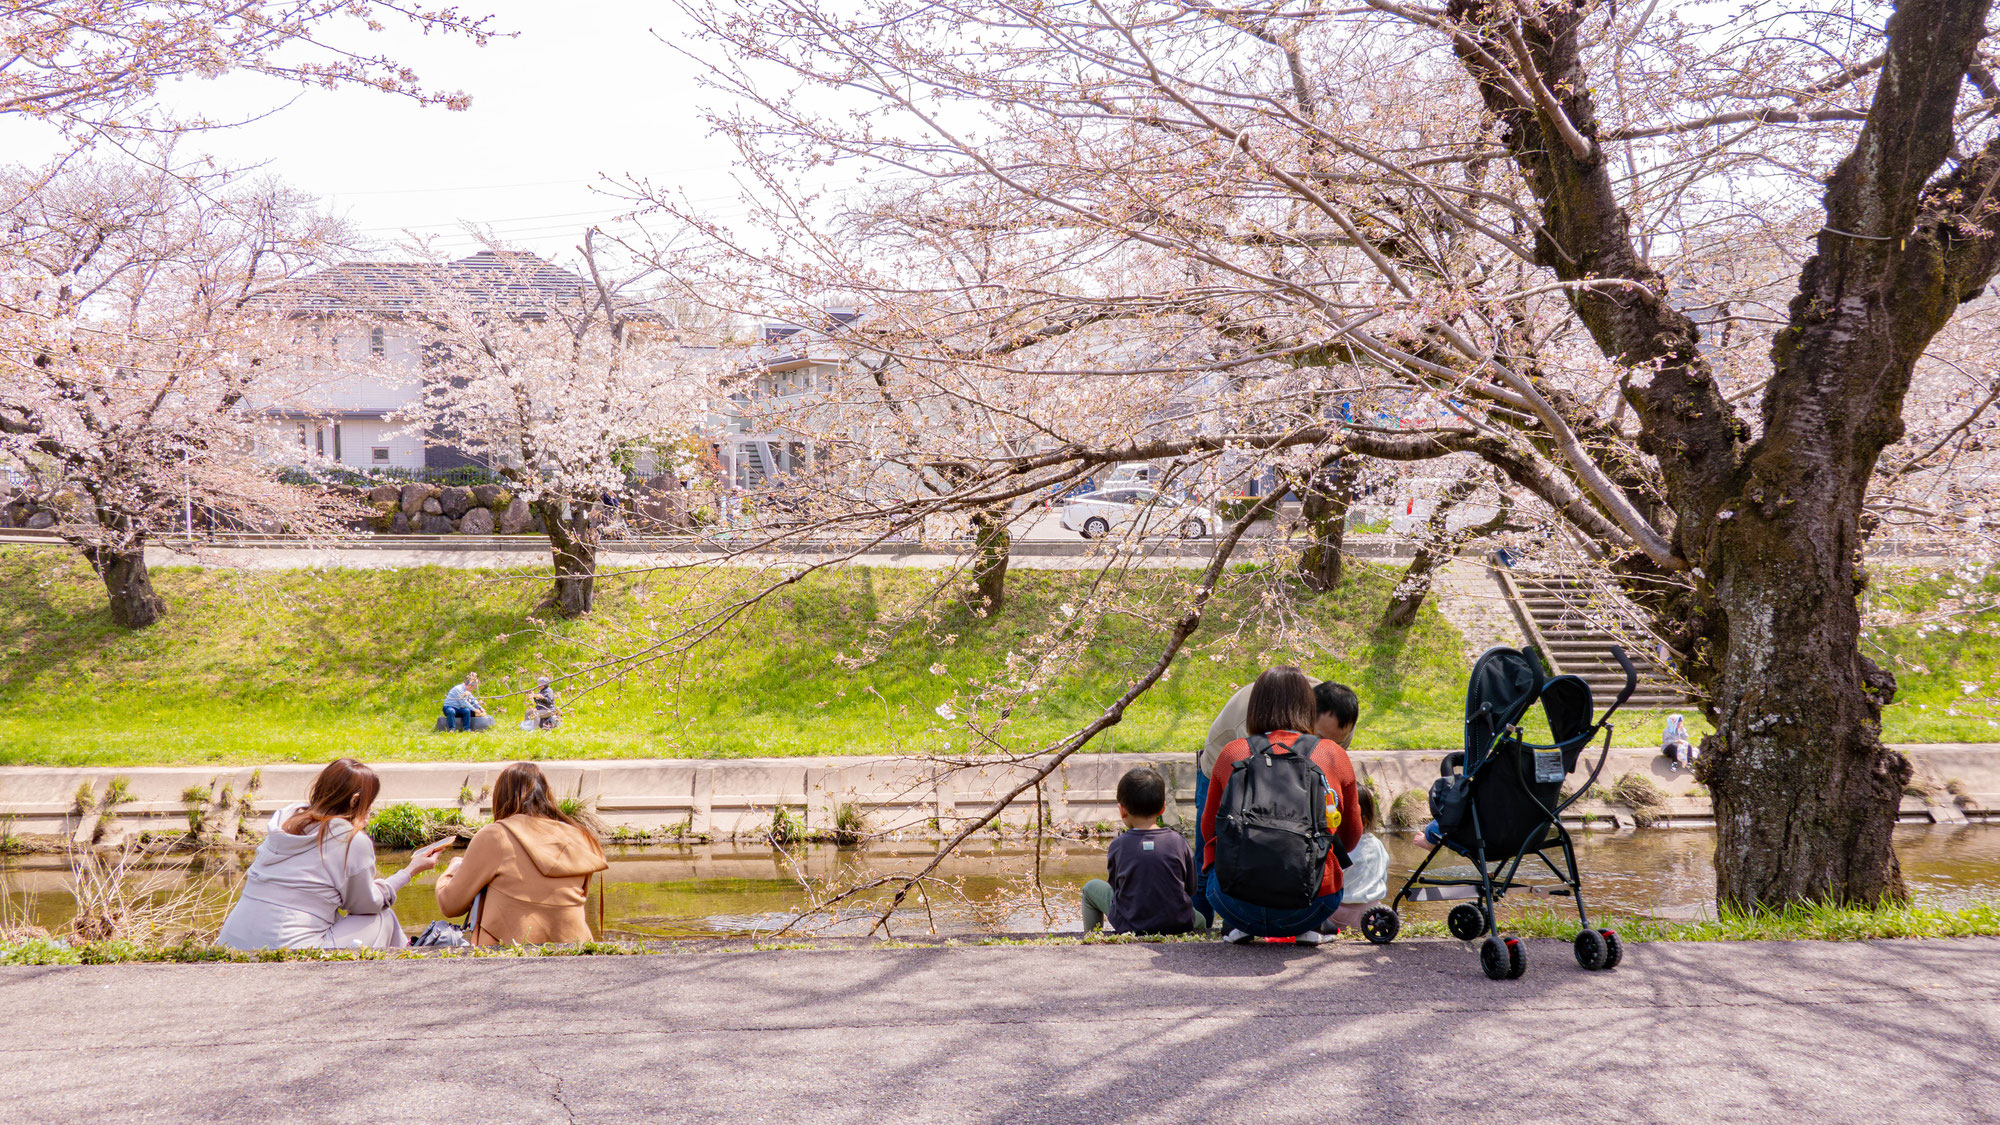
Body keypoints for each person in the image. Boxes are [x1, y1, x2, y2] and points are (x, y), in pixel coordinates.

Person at [1200, 666, 1363, 945]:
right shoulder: (1332, 754)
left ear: (1255, 706)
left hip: (1235, 906)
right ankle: (1307, 928)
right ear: (1308, 705)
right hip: (1310, 907)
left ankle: (1242, 925)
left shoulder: (1234, 752)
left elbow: (1208, 832)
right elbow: (1350, 837)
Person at [216, 758, 448, 950]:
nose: (370, 811)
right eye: (369, 803)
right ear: (356, 801)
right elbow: (366, 905)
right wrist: (410, 871)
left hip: (232, 943)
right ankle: (409, 962)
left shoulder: (285, 823)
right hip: (288, 950)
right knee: (382, 918)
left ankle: (410, 951)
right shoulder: (350, 840)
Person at [435, 762, 609, 946]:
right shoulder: (579, 836)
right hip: (576, 950)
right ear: (547, 794)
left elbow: (450, 904)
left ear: (501, 797)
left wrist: (452, 870)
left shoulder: (495, 836)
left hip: (508, 954)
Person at [1079, 767, 1200, 936]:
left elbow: (1116, 888)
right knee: (1199, 918)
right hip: (1177, 924)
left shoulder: (1118, 846)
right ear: (1163, 808)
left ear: (1122, 810)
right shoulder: (1178, 842)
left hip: (1130, 925)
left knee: (1090, 888)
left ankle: (1091, 938)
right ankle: (1198, 942)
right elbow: (1191, 888)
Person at [1329, 787, 1390, 931]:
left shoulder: (1342, 846)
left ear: (1362, 821)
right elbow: (1383, 877)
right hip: (1373, 913)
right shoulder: (1378, 845)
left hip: (1339, 912)